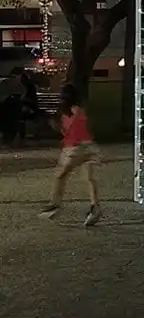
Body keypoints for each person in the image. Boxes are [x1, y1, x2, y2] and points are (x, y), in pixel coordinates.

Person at [39, 84, 102, 227]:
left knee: (60, 176)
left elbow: (68, 132)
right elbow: (85, 129)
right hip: (89, 147)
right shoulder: (80, 111)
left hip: (74, 149)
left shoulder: (66, 112)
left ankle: (55, 204)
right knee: (89, 178)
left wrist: (55, 125)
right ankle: (95, 207)